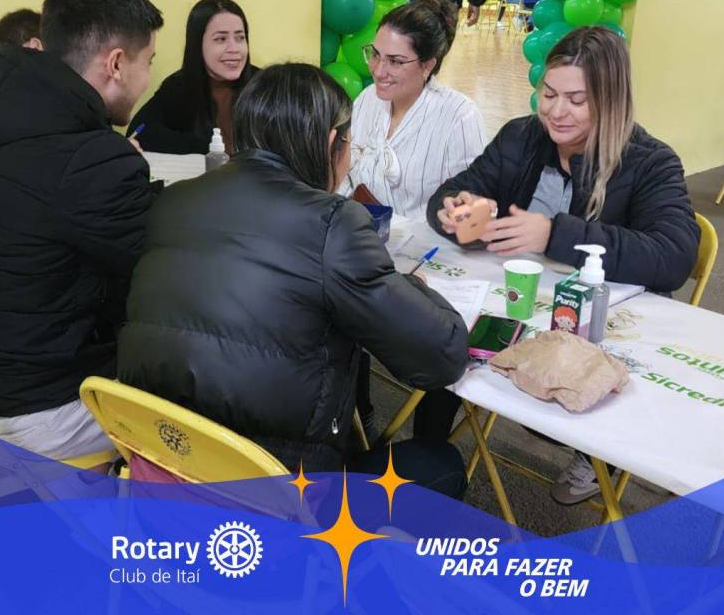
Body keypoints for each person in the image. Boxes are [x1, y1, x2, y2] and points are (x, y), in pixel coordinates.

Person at [118, 63, 469, 497]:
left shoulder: (174, 200)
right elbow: (441, 356)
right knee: (440, 465)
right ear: (331, 142)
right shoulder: (334, 222)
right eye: (351, 144)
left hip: (166, 463)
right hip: (276, 493)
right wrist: (414, 287)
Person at [422, 26, 699, 503]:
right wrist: (455, 212)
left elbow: (673, 256)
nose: (555, 111)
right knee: (444, 338)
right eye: (549, 94)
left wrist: (554, 235)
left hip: (596, 327)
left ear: (611, 101)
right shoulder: (521, 137)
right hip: (517, 304)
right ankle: (426, 461)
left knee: (555, 389)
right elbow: (451, 194)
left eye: (576, 100)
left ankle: (594, 457)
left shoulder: (650, 162)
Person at [0, 0, 163, 459]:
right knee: (205, 396)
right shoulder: (93, 159)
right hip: (39, 409)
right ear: (115, 64)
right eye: (148, 62)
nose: (147, 79)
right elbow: (161, 269)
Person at [345, 0, 487, 221]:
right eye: (375, 55)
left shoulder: (460, 117)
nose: (378, 71)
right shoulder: (367, 99)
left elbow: (472, 211)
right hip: (363, 234)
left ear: (427, 65)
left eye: (395, 61)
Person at [127, 0, 258, 154]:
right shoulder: (179, 86)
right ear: (197, 43)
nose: (234, 48)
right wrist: (205, 148)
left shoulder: (266, 84)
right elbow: (140, 132)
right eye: (221, 39)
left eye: (240, 38)